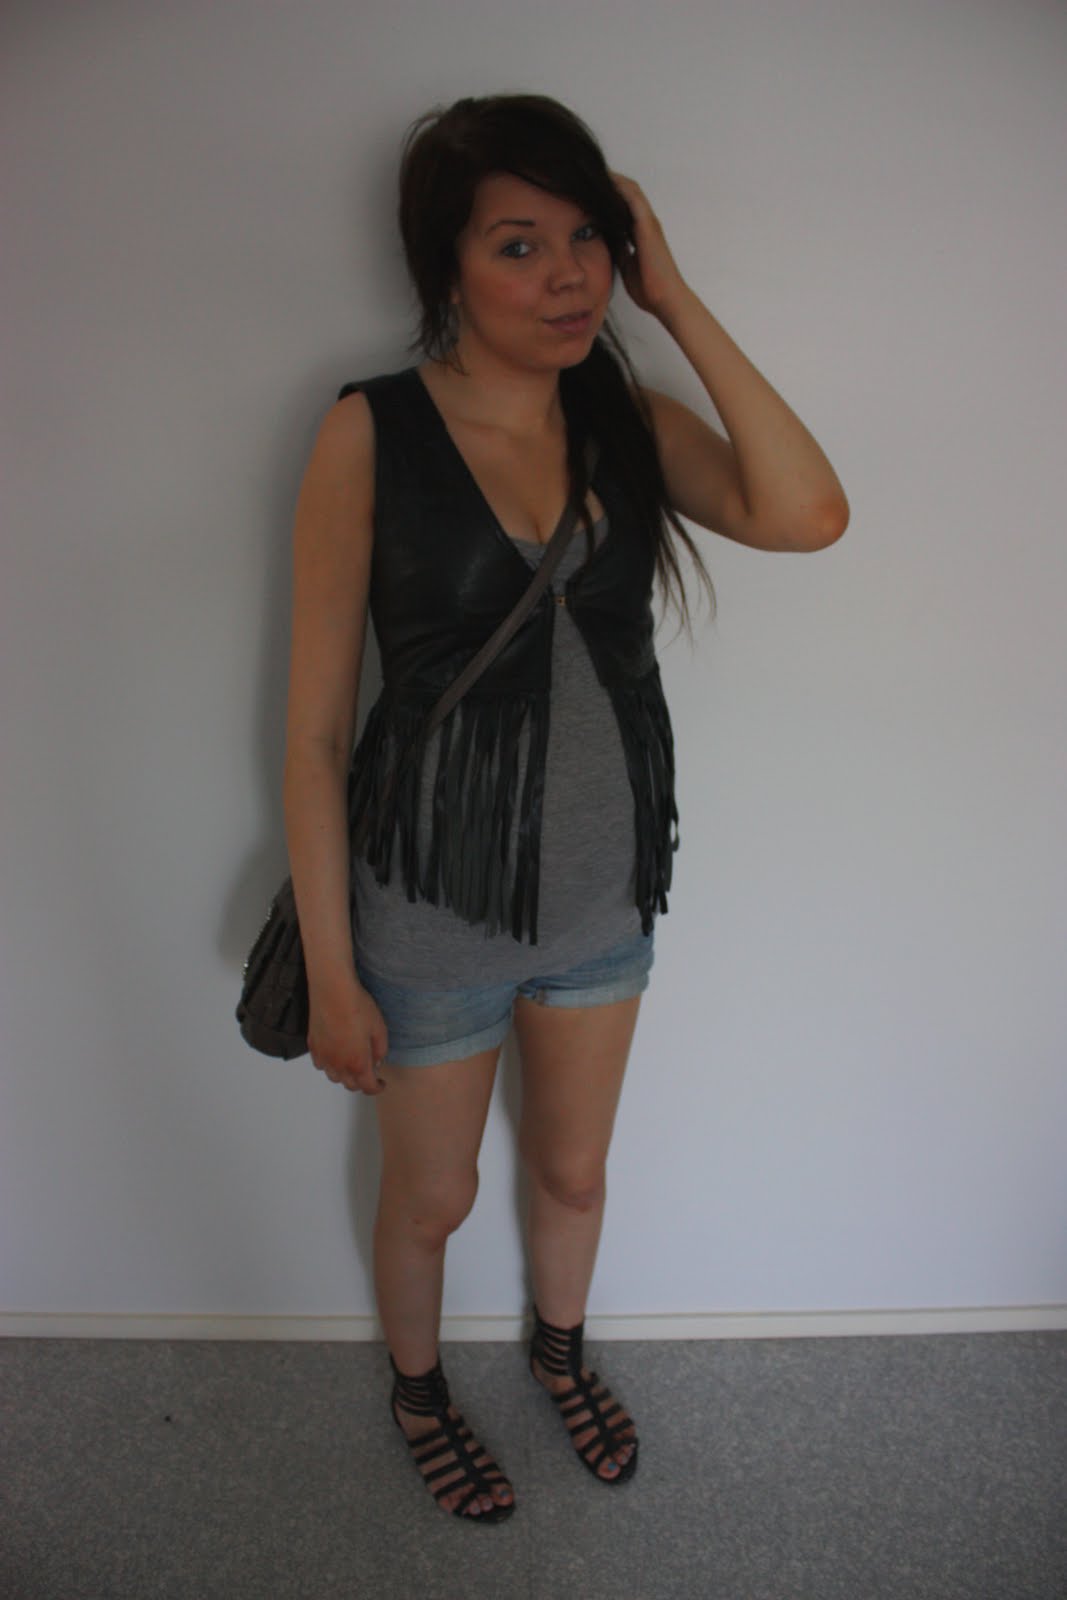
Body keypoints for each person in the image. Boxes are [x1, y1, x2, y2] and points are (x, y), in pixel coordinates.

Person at [281, 93, 849, 1523]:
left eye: (589, 237)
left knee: (576, 1176)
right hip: (429, 908)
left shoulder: (625, 423)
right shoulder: (370, 431)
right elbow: (316, 732)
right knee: (434, 1200)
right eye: (519, 244)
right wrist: (335, 978)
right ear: (446, 267)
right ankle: (421, 1390)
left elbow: (807, 514)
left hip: (603, 897)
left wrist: (678, 299)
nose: (568, 275)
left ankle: (559, 1352)